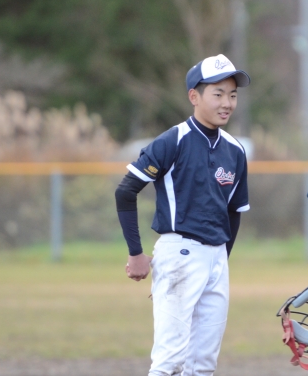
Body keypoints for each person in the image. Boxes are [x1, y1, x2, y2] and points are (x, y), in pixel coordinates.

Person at [114, 54, 250, 376]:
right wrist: (136, 254)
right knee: (170, 360)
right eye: (218, 93)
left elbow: (234, 212)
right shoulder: (172, 140)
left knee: (203, 364)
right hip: (180, 252)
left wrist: (220, 260)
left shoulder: (235, 150)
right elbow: (125, 191)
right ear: (194, 96)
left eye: (232, 95)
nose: (227, 103)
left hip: (217, 258)